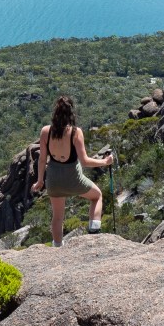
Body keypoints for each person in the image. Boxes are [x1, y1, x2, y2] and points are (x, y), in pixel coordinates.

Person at [30, 95, 113, 247]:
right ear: (71, 113)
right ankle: (94, 232)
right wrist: (105, 162)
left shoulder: (45, 131)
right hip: (74, 180)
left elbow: (42, 159)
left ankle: (57, 247)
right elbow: (85, 161)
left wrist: (40, 180)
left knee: (57, 217)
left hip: (53, 180)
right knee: (97, 196)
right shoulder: (76, 132)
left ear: (55, 113)